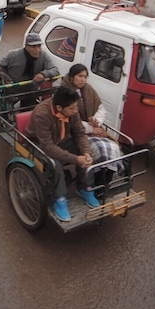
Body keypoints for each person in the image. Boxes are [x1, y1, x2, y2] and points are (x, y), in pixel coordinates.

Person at [24, 86, 100, 222]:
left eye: (76, 107)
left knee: (87, 151)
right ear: (59, 108)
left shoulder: (72, 110)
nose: (75, 110)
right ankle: (59, 198)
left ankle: (85, 187)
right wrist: (76, 159)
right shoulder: (42, 114)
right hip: (37, 144)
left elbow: (79, 133)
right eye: (72, 108)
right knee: (55, 163)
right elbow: (47, 146)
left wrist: (86, 153)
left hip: (61, 140)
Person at [61, 64, 120, 165]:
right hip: (74, 132)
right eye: (80, 76)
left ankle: (107, 172)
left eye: (85, 77)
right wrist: (91, 129)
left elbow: (100, 108)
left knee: (113, 147)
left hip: (91, 128)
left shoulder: (88, 89)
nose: (83, 80)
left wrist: (96, 121)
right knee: (98, 149)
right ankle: (90, 175)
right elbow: (70, 119)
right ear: (71, 78)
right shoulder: (64, 92)